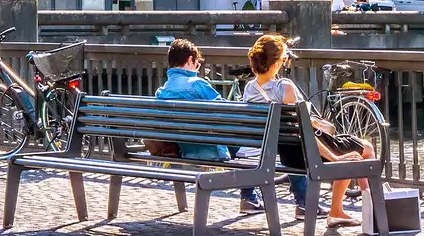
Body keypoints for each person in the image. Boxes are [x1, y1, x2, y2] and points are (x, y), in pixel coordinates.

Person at [239, 34, 363, 224]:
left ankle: (315, 205)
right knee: (361, 149)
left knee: (352, 148)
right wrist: (334, 157)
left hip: (276, 150)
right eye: (283, 58)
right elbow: (302, 129)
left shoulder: (249, 88)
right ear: (277, 62)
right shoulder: (285, 87)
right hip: (303, 153)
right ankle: (363, 207)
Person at [151, 39, 226, 162]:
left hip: (183, 150)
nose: (196, 69)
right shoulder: (197, 84)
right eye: (197, 64)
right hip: (211, 151)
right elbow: (226, 112)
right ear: (190, 60)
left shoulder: (162, 92)